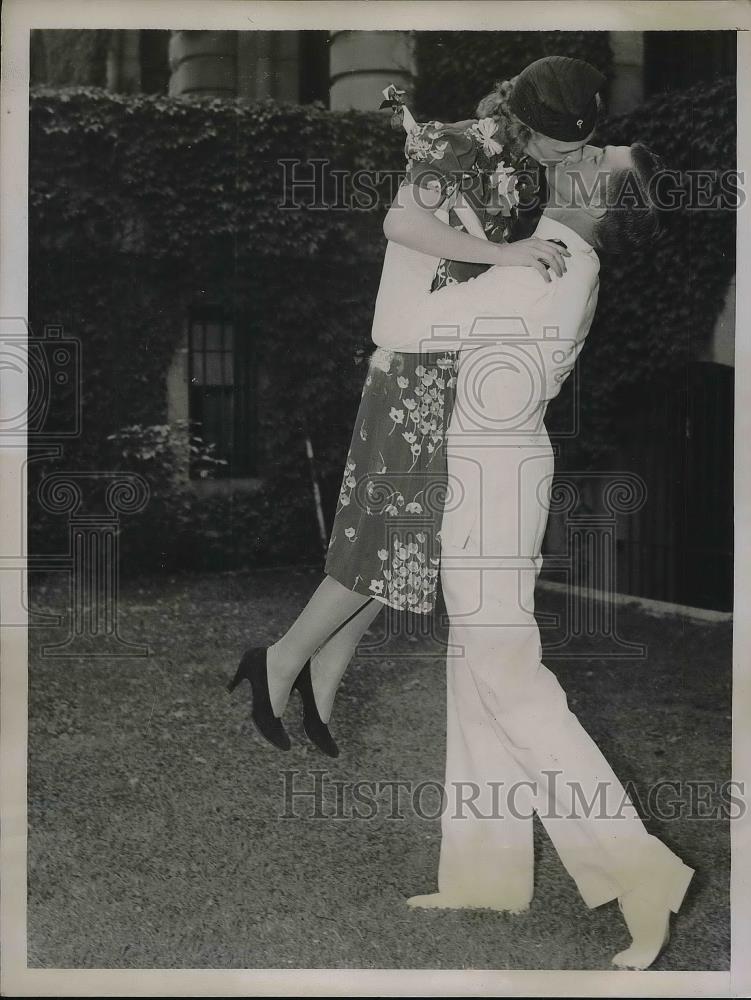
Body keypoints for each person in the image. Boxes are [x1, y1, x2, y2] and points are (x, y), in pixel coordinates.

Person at [226, 57, 604, 758]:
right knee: (387, 535)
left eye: (579, 143)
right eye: (562, 140)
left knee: (406, 545)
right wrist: (510, 255)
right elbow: (401, 222)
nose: (571, 154)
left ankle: (323, 678)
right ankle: (278, 660)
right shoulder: (455, 143)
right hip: (409, 368)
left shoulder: (519, 168)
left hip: (447, 363)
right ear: (527, 121)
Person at [378, 138, 694, 972]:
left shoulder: (540, 267)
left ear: (595, 199)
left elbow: (394, 326)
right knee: (473, 667)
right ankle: (483, 874)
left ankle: (641, 872)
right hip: (498, 466)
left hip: (489, 474)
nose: (580, 153)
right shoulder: (553, 259)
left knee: (504, 674)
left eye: (599, 160)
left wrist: (418, 206)